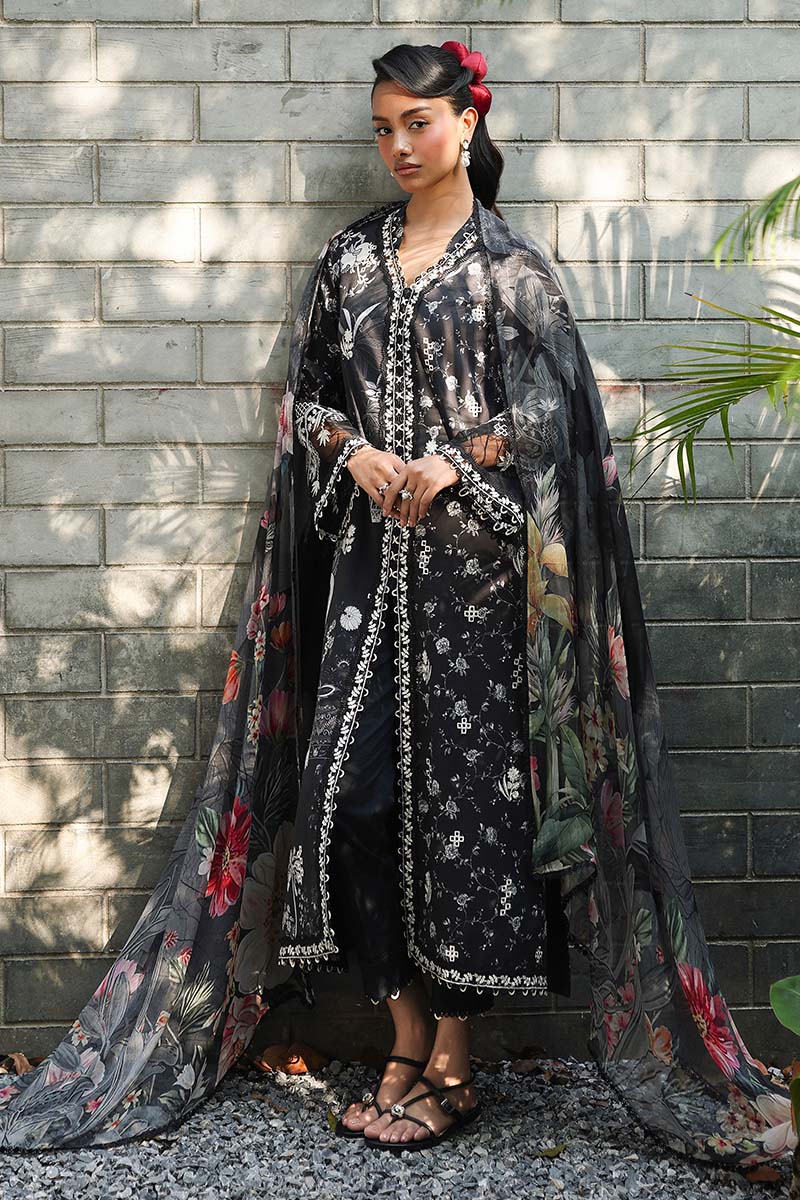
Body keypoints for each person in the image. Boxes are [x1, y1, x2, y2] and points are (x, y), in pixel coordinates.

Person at [0, 40, 794, 1171]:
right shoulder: (350, 260)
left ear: (467, 121)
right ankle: (405, 1034)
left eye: (416, 123)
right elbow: (311, 399)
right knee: (350, 801)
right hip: (368, 583)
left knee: (471, 817)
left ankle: (451, 1061)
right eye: (383, 129)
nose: (397, 146)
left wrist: (455, 467)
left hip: (481, 594)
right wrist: (358, 453)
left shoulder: (513, 272)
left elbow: (554, 426)